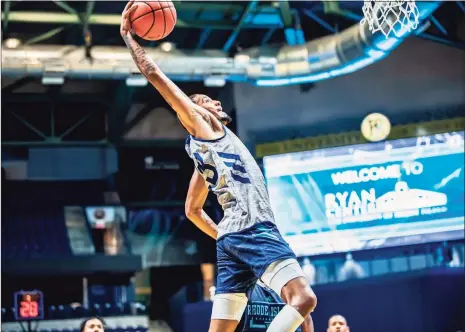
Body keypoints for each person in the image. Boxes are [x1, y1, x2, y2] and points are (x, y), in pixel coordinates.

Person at [120, 3, 317, 332]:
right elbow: (154, 74)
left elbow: (192, 210)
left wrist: (224, 234)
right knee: (304, 299)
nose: (215, 102)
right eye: (206, 101)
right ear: (196, 113)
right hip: (255, 229)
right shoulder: (202, 127)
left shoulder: (207, 155)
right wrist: (129, 36)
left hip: (231, 239)